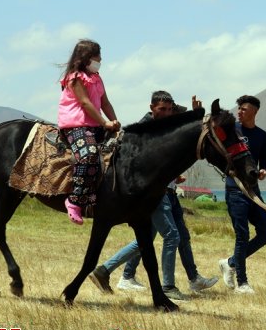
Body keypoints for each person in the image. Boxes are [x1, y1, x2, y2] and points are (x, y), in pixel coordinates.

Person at [90, 91, 218, 300]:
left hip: (166, 189)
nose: (167, 114)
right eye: (162, 110)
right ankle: (167, 287)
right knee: (171, 236)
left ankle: (109, 271)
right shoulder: (145, 129)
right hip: (153, 192)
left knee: (155, 236)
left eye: (170, 110)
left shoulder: (164, 127)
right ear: (152, 108)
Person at [57, 39, 120, 224]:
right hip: (76, 125)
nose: (100, 59)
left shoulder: (97, 77)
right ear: (85, 58)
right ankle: (74, 201)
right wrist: (104, 122)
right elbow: (85, 103)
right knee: (89, 154)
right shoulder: (74, 77)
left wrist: (114, 121)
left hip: (95, 125)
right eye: (96, 56)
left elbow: (105, 102)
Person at [219, 95, 266, 294]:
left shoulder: (262, 135)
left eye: (243, 109)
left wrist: (264, 170)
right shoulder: (232, 131)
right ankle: (242, 283)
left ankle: (230, 263)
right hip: (235, 189)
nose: (239, 111)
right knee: (242, 235)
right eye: (239, 108)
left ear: (254, 111)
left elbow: (264, 162)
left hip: (253, 189)